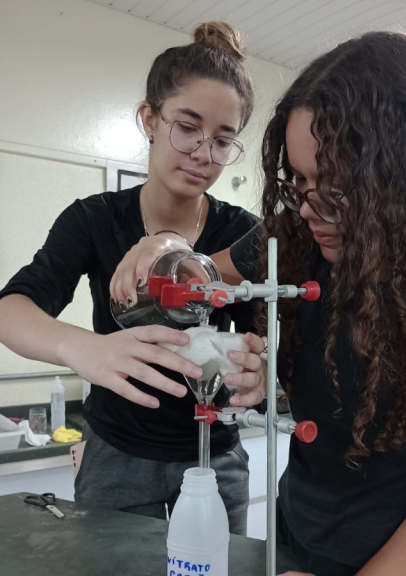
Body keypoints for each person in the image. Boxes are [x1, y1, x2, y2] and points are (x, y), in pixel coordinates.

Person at [111, 31, 406, 576]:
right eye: (300, 181)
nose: (309, 208)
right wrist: (163, 243)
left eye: (339, 189)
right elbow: (199, 272)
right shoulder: (292, 242)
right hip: (293, 543)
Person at [0, 22, 267, 534]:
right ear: (149, 117)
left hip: (214, 453)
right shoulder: (94, 220)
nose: (202, 155)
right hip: (115, 454)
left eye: (222, 140)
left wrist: (261, 365)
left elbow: (267, 335)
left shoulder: (242, 232)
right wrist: (85, 349)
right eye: (186, 127)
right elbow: (12, 308)